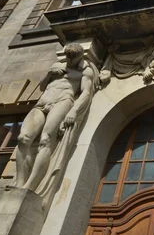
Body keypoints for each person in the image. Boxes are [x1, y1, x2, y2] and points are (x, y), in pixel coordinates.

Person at [14, 43, 97, 207]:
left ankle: (30, 185)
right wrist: (49, 74)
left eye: (74, 57)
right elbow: (42, 87)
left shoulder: (85, 70)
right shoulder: (56, 65)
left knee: (46, 140)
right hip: (43, 101)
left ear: (81, 56)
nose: (70, 60)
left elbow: (86, 92)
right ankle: (18, 184)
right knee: (23, 138)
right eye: (68, 56)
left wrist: (73, 111)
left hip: (64, 100)